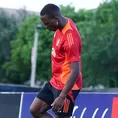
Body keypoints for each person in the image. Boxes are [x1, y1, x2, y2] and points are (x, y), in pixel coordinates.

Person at [30, 3, 82, 118]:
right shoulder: (61, 24)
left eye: (47, 23)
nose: (45, 26)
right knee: (35, 110)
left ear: (56, 19)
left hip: (67, 86)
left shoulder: (70, 38)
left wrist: (62, 96)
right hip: (55, 81)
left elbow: (75, 71)